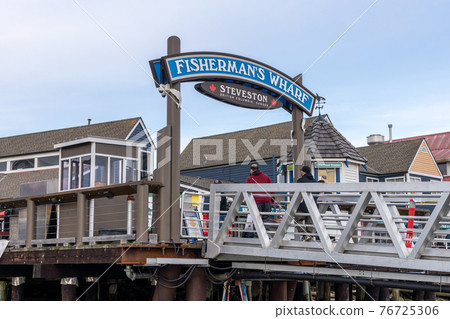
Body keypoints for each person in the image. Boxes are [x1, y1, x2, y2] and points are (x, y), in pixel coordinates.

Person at [246, 164, 273, 237]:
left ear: (251, 170)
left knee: (256, 218)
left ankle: (257, 236)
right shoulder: (266, 177)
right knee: (266, 218)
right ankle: (267, 235)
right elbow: (272, 188)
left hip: (256, 201)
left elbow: (247, 191)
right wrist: (272, 199)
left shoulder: (250, 179)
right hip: (267, 200)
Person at [296, 165, 317, 241]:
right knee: (309, 222)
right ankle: (308, 235)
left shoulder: (301, 181)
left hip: (303, 205)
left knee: (297, 220)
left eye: (301, 171)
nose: (301, 172)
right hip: (312, 205)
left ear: (303, 172)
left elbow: (297, 194)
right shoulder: (315, 181)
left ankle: (305, 235)